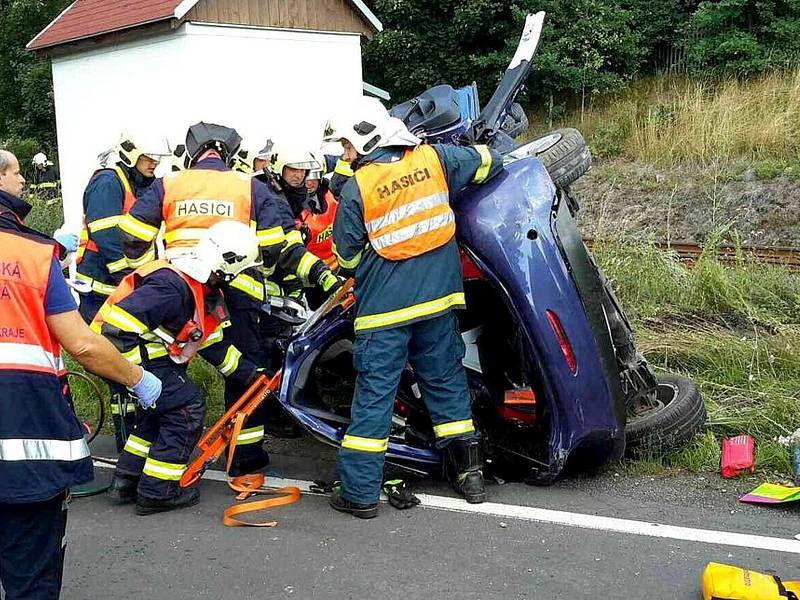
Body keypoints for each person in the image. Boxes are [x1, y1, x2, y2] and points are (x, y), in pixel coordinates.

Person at [120, 123, 342, 476]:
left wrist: (149, 274)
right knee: (244, 373)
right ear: (230, 154)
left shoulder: (170, 184)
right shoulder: (248, 186)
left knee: (166, 380)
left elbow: (131, 238)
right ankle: (243, 457)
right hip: (237, 295)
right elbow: (277, 248)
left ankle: (132, 470)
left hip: (178, 294)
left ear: (191, 154)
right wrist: (316, 276)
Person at [325, 98, 504, 518]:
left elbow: (347, 258)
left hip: (383, 313)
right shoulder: (435, 158)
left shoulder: (359, 188)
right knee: (445, 383)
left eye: (347, 146)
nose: (345, 155)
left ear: (368, 139)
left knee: (374, 399)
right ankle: (470, 477)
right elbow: (487, 163)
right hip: (439, 301)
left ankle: (360, 494)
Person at [0, 149, 162, 599]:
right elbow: (84, 344)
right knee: (30, 577)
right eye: (15, 175)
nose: (23, 184)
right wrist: (139, 379)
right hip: (25, 449)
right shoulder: (31, 253)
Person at [95, 221, 261, 514]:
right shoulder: (172, 286)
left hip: (137, 359)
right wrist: (137, 378)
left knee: (158, 412)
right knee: (186, 408)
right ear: (226, 266)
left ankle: (126, 480)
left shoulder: (200, 287)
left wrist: (250, 374)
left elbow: (212, 344)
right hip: (120, 357)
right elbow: (117, 329)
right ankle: (158, 491)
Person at [76, 133, 169, 452]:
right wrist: (128, 277)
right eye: (149, 157)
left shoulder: (144, 184)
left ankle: (136, 440)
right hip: (102, 291)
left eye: (157, 158)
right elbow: (106, 234)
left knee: (128, 365)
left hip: (125, 288)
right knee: (114, 366)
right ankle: (126, 443)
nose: (154, 163)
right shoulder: (108, 181)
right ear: (131, 154)